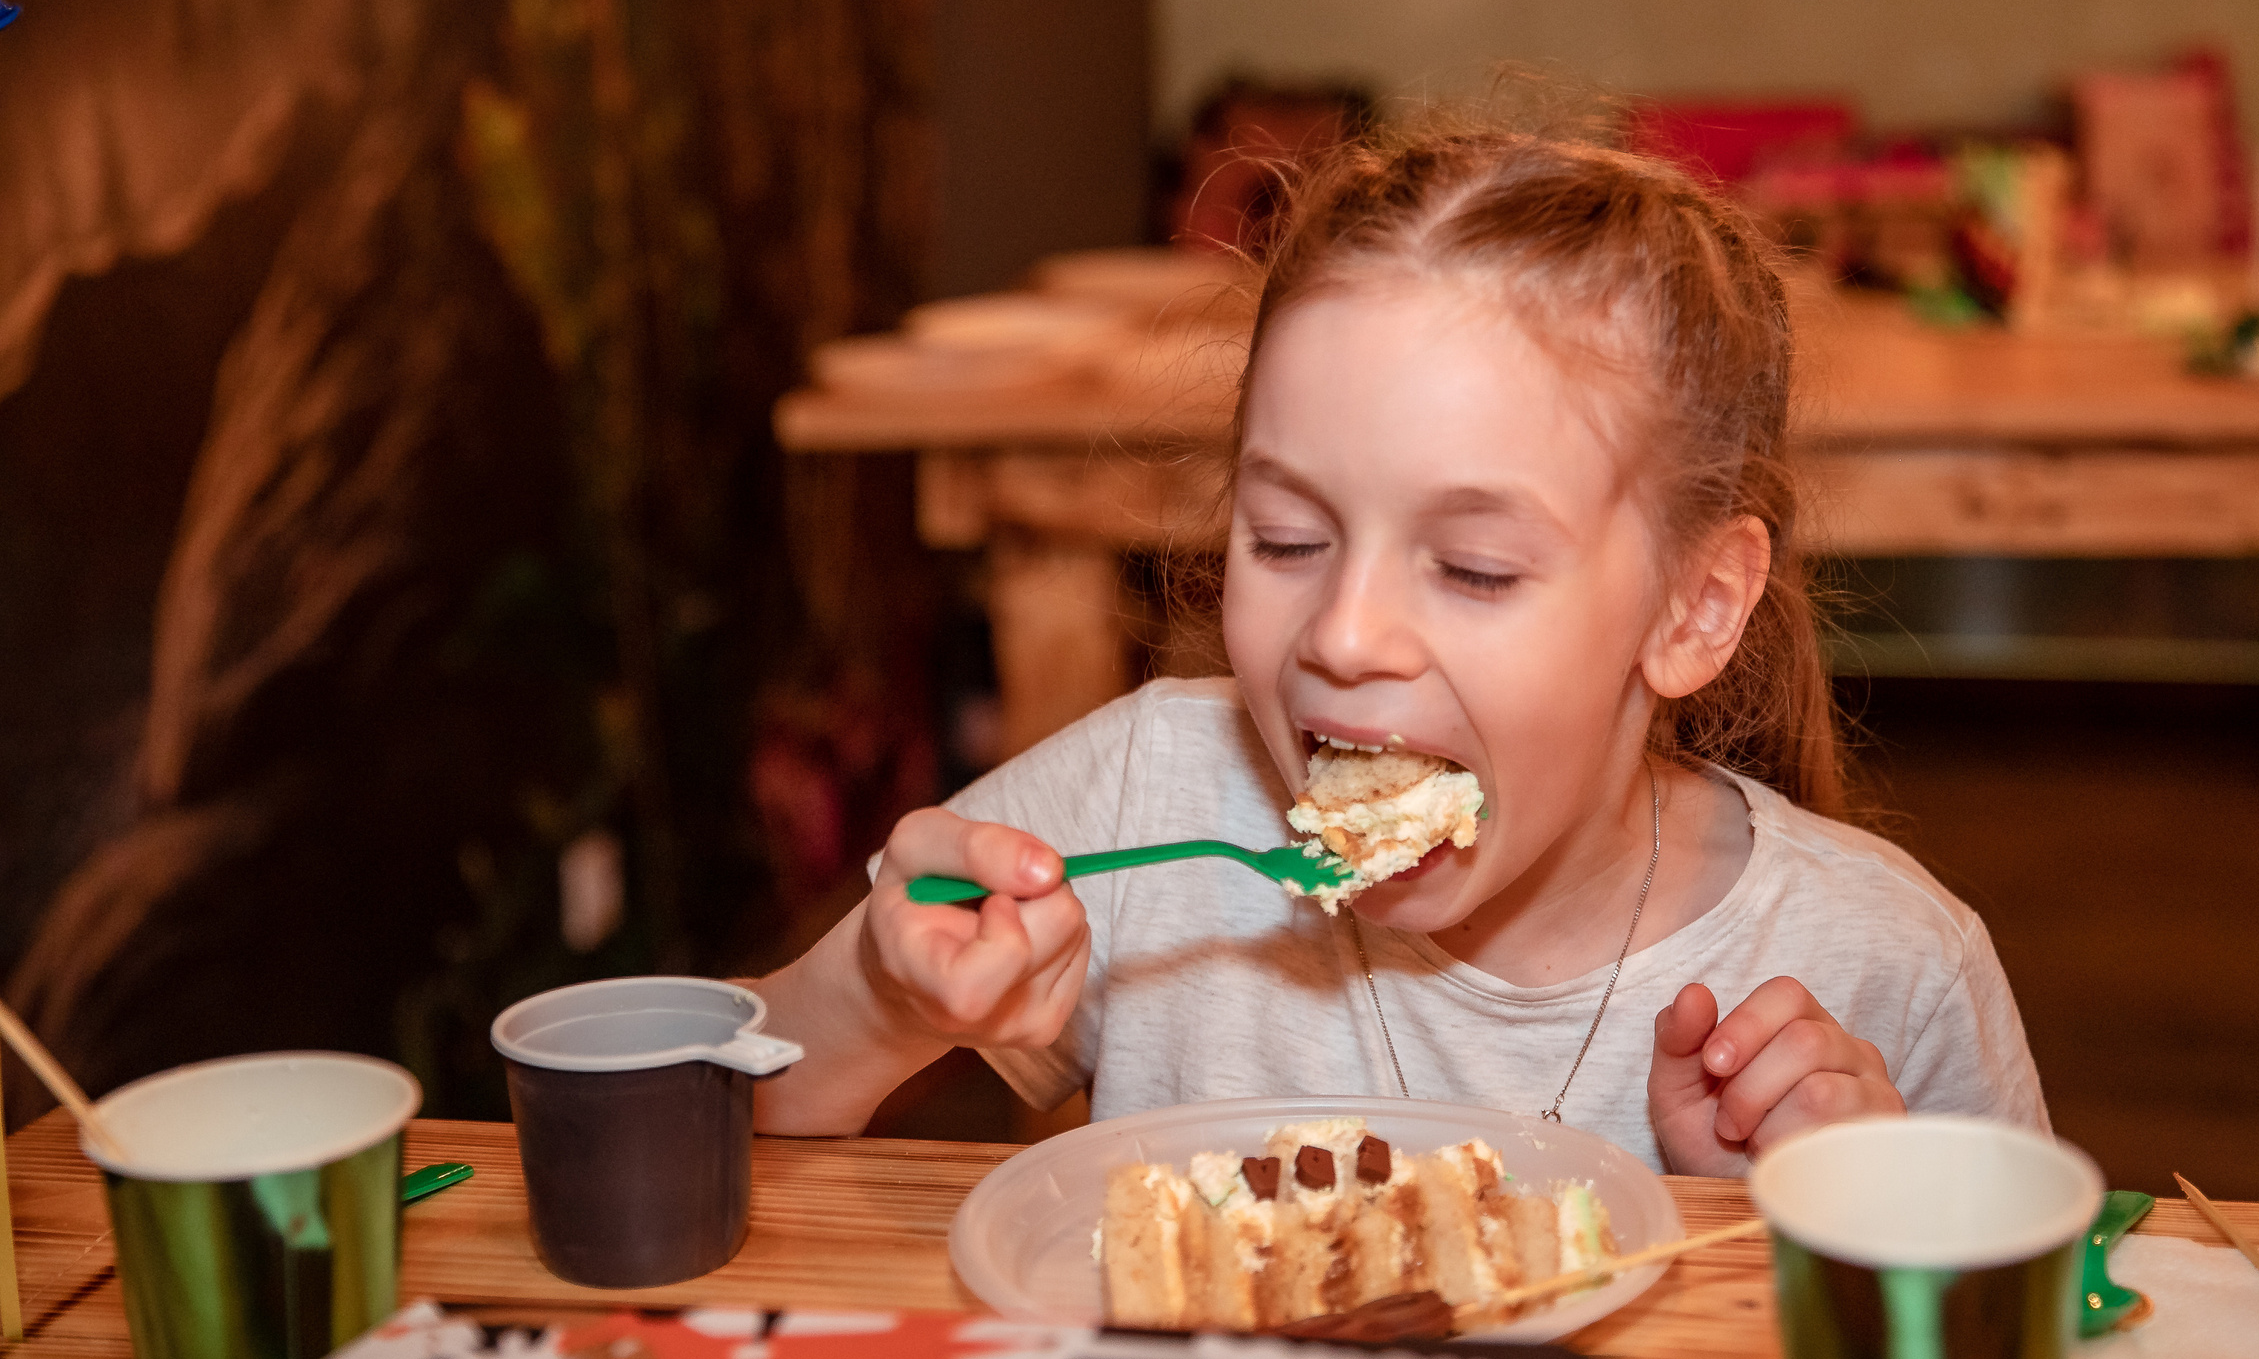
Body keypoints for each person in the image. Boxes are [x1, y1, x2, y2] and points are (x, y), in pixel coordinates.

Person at [754, 122, 2045, 1175]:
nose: (1346, 634)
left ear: (1694, 609)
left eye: (1474, 567)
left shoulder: (1891, 969)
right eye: (1286, 539)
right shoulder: (1150, 796)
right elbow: (731, 1103)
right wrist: (874, 996)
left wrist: (1862, 1221)